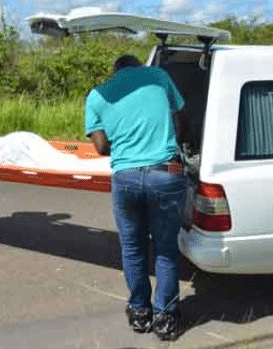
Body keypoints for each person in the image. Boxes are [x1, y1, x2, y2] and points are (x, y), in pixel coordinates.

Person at [84, 54, 188, 341]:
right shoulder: (158, 77)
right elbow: (181, 124)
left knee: (132, 247)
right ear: (138, 67)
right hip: (166, 172)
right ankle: (165, 318)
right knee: (166, 249)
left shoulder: (97, 95)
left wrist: (125, 141)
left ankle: (140, 312)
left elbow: (101, 147)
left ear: (115, 71)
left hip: (126, 177)